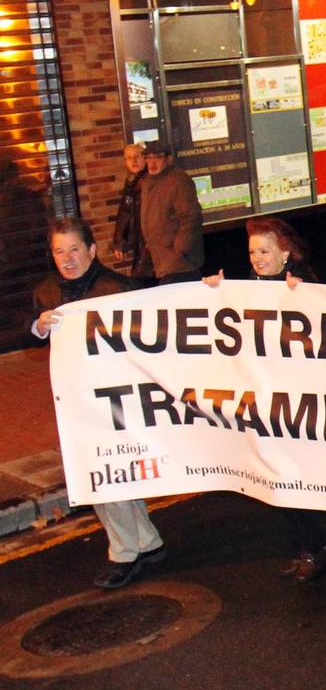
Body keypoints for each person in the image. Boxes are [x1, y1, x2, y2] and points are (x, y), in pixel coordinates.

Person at [33, 217, 169, 589]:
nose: (67, 259)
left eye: (74, 249)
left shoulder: (118, 289)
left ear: (92, 250)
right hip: (77, 399)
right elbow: (32, 334)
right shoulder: (46, 291)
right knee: (110, 471)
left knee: (106, 473)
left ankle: (123, 553)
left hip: (115, 398)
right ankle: (147, 542)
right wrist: (39, 327)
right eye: (59, 251)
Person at [199, 218, 326, 579]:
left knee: (294, 477)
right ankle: (302, 547)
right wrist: (213, 292)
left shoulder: (302, 285)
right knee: (275, 477)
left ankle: (314, 548)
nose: (257, 258)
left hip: (295, 401)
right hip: (264, 400)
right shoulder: (247, 287)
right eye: (252, 251)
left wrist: (305, 297)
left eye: (264, 251)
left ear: (285, 253)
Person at [138, 140, 204, 284]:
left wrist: (180, 249)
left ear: (168, 159)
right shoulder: (147, 182)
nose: (152, 163)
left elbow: (191, 217)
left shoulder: (178, 180)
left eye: (158, 158)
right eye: (148, 158)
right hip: (160, 259)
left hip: (179, 263)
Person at [111, 143, 149, 282]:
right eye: (129, 158)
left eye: (137, 156)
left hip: (151, 240)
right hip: (140, 240)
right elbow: (125, 212)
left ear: (144, 158)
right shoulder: (131, 182)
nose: (133, 161)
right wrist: (119, 242)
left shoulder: (150, 181)